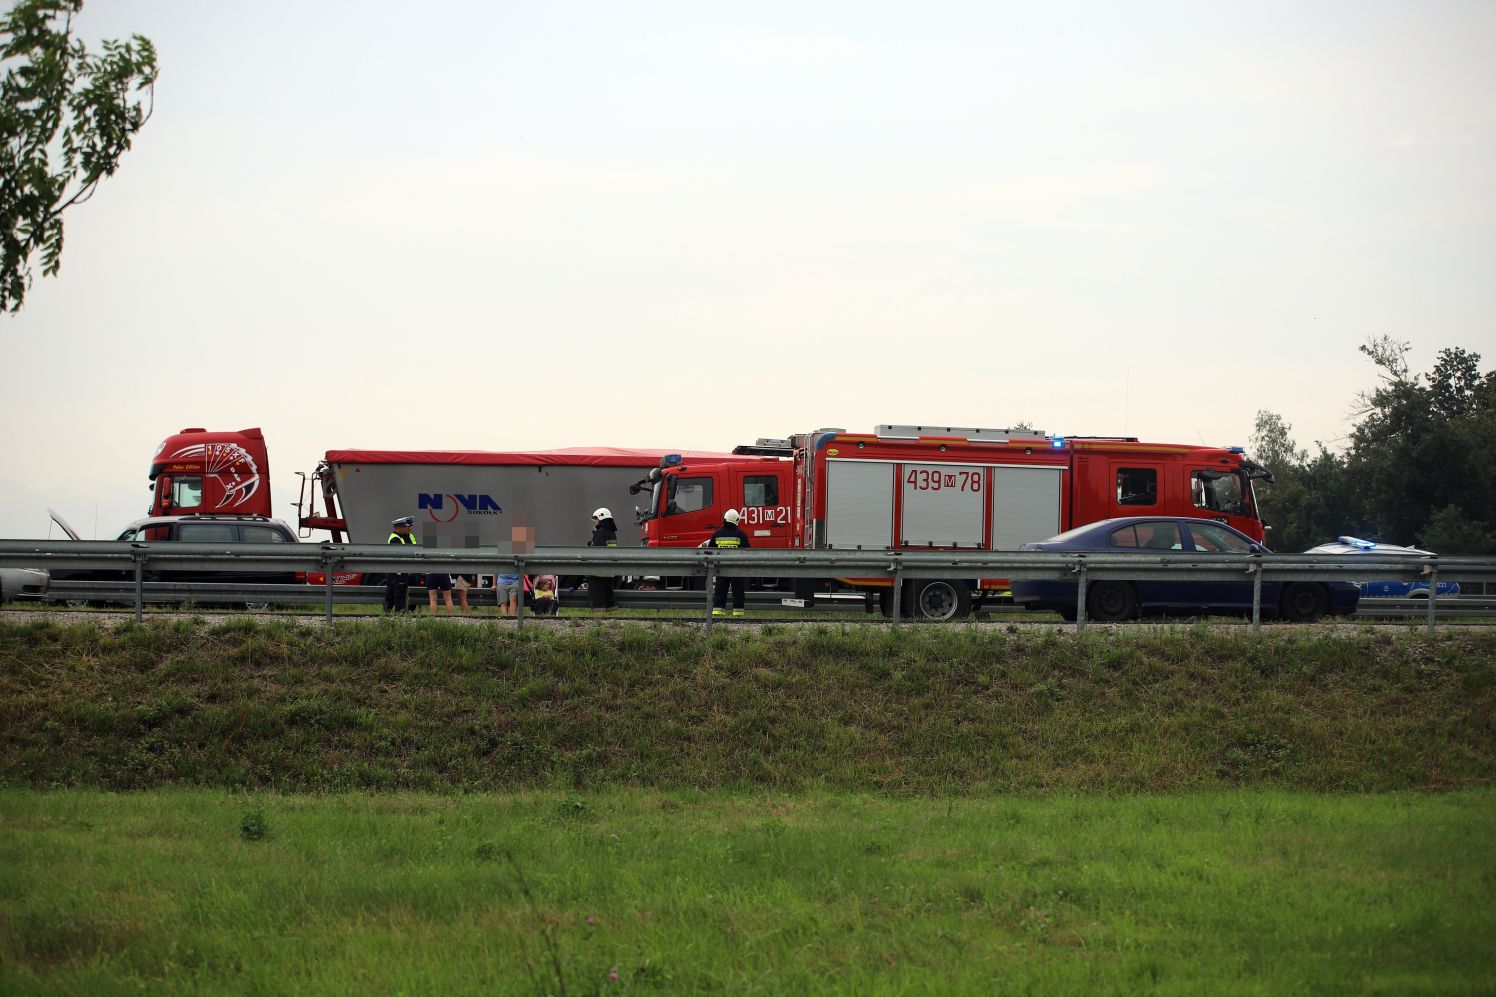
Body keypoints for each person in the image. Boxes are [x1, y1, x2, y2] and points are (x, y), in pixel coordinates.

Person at [709, 508, 751, 617]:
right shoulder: (741, 534)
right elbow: (748, 552)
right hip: (737, 569)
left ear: (725, 519)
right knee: (738, 592)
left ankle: (717, 612)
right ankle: (738, 614)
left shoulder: (717, 534)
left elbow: (710, 551)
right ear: (737, 520)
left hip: (721, 568)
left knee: (720, 590)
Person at [586, 507, 618, 610]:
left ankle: (598, 616)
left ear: (601, 518)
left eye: (596, 520)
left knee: (597, 594)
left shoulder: (600, 532)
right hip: (609, 569)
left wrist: (595, 535)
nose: (595, 522)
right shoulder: (611, 533)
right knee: (608, 593)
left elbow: (597, 551)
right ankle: (610, 616)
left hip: (598, 570)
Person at [384, 516, 417, 613]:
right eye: (404, 527)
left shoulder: (408, 536)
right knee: (397, 592)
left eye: (407, 526)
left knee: (399, 591)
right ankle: (398, 612)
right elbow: (401, 554)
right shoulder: (394, 539)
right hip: (397, 570)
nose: (406, 528)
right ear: (398, 528)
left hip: (405, 569)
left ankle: (392, 611)